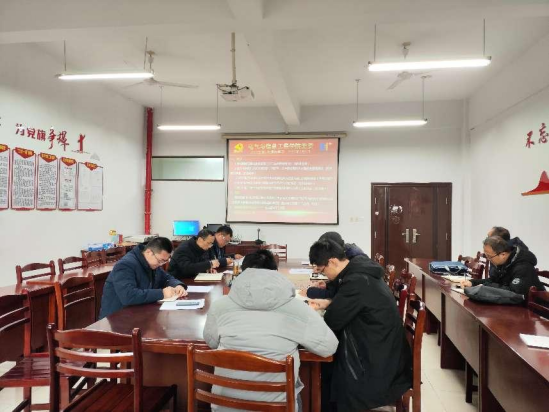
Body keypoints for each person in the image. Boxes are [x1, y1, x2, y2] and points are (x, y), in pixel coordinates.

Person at [203, 249, 338, 412]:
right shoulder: (297, 309)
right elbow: (328, 347)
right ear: (275, 272)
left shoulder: (219, 306)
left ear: (242, 273)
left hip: (225, 406)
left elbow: (211, 342)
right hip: (278, 407)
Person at [308, 239, 412, 411]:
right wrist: (329, 303)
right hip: (382, 348)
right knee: (326, 363)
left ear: (332, 261)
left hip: (378, 362)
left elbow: (333, 321)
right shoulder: (359, 271)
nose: (325, 276)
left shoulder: (356, 280)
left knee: (323, 364)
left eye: (323, 270)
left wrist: (326, 308)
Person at [99, 237, 187, 319]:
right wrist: (162, 293)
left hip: (138, 314)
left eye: (164, 262)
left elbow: (166, 278)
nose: (161, 264)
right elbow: (128, 296)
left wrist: (178, 285)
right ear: (149, 252)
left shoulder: (151, 263)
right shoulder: (125, 265)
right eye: (160, 261)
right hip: (117, 319)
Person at [460, 236, 544, 295]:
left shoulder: (523, 267)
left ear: (503, 254)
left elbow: (514, 292)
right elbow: (493, 281)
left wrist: (485, 287)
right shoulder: (504, 263)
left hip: (534, 311)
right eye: (486, 256)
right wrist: (472, 283)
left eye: (489, 256)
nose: (488, 259)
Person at [302, 231, 368, 299]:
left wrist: (311, 292)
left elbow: (339, 294)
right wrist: (328, 285)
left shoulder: (353, 264)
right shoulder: (344, 255)